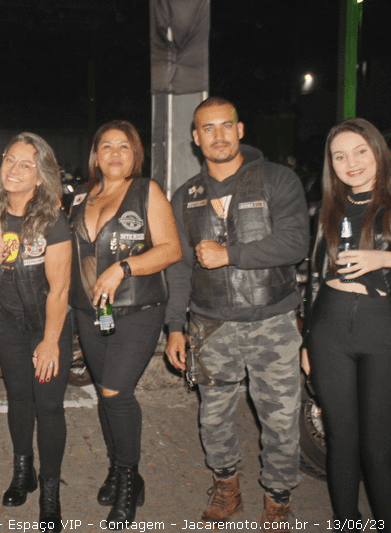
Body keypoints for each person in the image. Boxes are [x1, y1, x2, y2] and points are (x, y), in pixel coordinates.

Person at [164, 97, 308, 530]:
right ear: (195, 138)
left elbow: (295, 243)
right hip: (211, 326)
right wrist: (175, 327)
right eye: (207, 129)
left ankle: (278, 500)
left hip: (273, 322)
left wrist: (230, 255)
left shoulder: (277, 179)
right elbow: (180, 268)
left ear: (240, 129)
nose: (218, 136)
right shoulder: (185, 197)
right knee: (213, 418)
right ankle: (227, 487)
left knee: (280, 421)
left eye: (225, 126)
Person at [68, 121, 181, 527]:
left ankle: (130, 482)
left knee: (116, 392)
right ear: (95, 155)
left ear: (136, 154)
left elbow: (171, 249)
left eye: (124, 147)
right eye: (106, 147)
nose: (114, 154)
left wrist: (124, 268)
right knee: (105, 394)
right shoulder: (80, 197)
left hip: (138, 309)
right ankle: (117, 468)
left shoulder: (146, 191)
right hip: (90, 312)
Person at [0, 132, 71, 533]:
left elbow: (59, 288)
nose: (14, 169)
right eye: (10, 159)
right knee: (18, 400)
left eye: (26, 164)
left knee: (49, 407)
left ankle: (50, 492)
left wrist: (50, 341)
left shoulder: (52, 220)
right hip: (8, 325)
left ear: (40, 175)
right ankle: (22, 472)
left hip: (47, 327)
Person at [302, 118, 391, 525]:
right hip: (330, 329)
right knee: (341, 440)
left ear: (378, 152)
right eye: (339, 156)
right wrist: (306, 341)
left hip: (381, 327)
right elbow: (312, 280)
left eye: (360, 151)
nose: (351, 163)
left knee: (378, 446)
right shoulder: (326, 210)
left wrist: (382, 258)